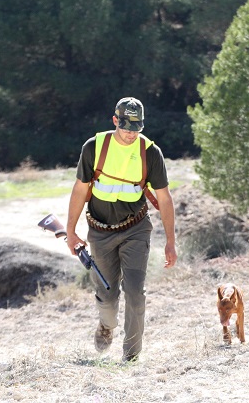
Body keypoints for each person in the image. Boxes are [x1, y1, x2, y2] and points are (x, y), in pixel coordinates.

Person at [66, 96, 177, 362]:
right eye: (126, 127)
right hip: (100, 232)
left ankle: (131, 356)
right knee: (107, 294)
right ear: (115, 120)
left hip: (135, 229)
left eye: (136, 128)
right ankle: (106, 324)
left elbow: (164, 198)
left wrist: (171, 241)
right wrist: (70, 231)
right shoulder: (94, 147)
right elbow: (80, 189)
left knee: (136, 293)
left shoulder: (150, 152)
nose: (131, 133)